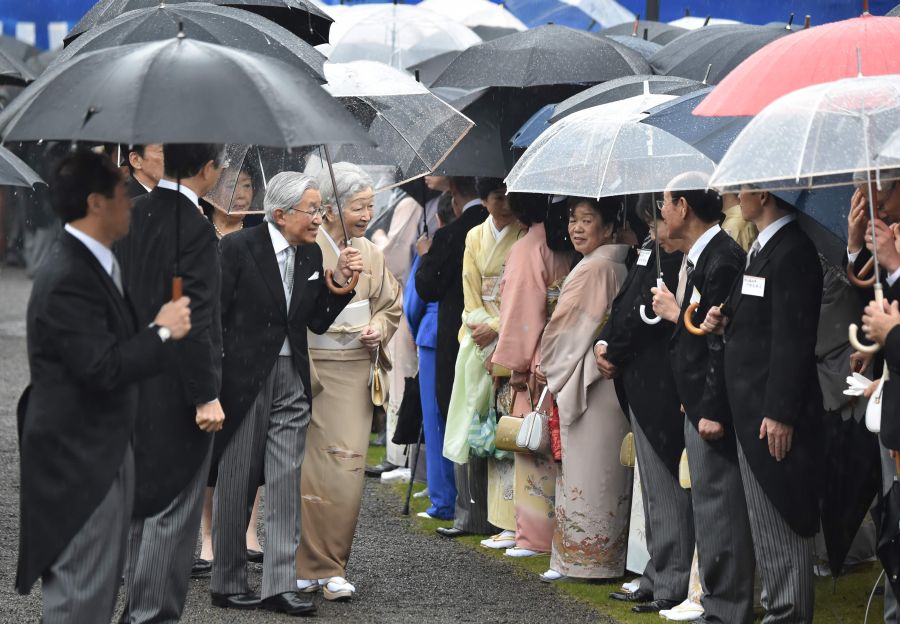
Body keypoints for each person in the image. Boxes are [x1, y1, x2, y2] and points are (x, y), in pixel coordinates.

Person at [15, 151, 192, 623]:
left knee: (97, 589)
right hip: (78, 458)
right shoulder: (69, 275)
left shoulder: (96, 262)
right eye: (121, 194)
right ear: (96, 202)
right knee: (81, 596)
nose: (130, 203)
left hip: (104, 448)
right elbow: (102, 367)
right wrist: (160, 331)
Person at [210, 172, 361, 615]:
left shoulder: (313, 253)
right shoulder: (237, 248)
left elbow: (313, 321)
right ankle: (228, 580)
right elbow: (214, 316)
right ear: (279, 214)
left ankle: (278, 584)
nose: (319, 217)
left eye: (320, 209)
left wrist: (340, 285)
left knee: (284, 482)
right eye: (311, 210)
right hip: (242, 381)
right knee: (235, 482)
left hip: (292, 378)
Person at [116, 143, 226, 623]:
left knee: (142, 507)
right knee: (172, 514)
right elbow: (192, 321)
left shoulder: (132, 211)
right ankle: (150, 616)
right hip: (175, 388)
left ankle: (134, 611)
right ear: (208, 169)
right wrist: (205, 395)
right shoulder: (195, 228)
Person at [703, 187, 824, 623]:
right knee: (766, 523)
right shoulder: (761, 249)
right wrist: (723, 319)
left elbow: (793, 338)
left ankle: (788, 615)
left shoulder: (792, 251)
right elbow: (759, 320)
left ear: (765, 195)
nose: (735, 197)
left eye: (743, 189)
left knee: (782, 520)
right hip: (750, 407)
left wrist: (780, 412)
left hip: (771, 412)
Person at [651, 172, 753, 624]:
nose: (661, 212)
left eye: (665, 203)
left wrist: (710, 406)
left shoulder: (722, 257)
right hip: (694, 397)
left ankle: (725, 605)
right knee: (707, 500)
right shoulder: (700, 256)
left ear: (685, 207)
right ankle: (717, 600)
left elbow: (719, 342)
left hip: (714, 404)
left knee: (718, 503)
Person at [297, 162, 402, 600]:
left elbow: (391, 302)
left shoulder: (371, 253)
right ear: (333, 207)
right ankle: (304, 563)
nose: (365, 215)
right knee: (307, 472)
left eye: (370, 206)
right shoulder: (308, 248)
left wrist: (379, 326)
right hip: (314, 365)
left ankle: (333, 564)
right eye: (358, 206)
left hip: (355, 368)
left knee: (347, 469)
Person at [596, 200, 694, 614]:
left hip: (659, 385)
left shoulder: (673, 259)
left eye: (657, 218)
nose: (653, 228)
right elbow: (624, 304)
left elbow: (644, 317)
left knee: (666, 488)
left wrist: (614, 349)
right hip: (639, 382)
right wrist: (604, 341)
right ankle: (657, 572)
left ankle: (671, 581)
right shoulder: (652, 251)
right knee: (652, 489)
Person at [539, 196, 632, 582]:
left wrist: (546, 366)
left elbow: (565, 332)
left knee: (587, 469)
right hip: (604, 378)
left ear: (609, 226)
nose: (576, 228)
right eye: (573, 219)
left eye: (587, 220)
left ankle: (584, 560)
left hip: (589, 379)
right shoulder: (618, 264)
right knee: (604, 471)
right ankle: (602, 556)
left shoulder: (594, 268)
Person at [442, 177, 525, 549]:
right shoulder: (475, 236)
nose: (503, 204)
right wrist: (481, 326)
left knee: (502, 428)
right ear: (485, 199)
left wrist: (496, 327)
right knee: (471, 422)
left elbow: (521, 294)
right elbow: (469, 288)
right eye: (496, 197)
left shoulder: (524, 235)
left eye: (508, 197)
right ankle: (470, 513)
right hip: (476, 337)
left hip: (508, 332)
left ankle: (503, 517)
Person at [490, 192, 572, 557]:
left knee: (533, 443)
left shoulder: (530, 247)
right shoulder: (564, 241)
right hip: (568, 351)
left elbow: (520, 311)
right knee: (561, 447)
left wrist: (515, 365)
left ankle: (535, 537)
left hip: (539, 355)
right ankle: (562, 534)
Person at [193, 160, 262, 578]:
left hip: (252, 348)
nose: (241, 192)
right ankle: (206, 533)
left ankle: (250, 526)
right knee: (210, 445)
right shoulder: (198, 233)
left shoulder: (261, 236)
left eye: (249, 184)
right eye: (233, 183)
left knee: (252, 443)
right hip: (209, 347)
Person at [415, 177, 493, 538]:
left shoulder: (451, 234)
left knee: (457, 415)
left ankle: (462, 504)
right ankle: (486, 508)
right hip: (493, 330)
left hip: (458, 335)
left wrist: (426, 256)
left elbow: (426, 286)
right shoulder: (482, 233)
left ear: (455, 195)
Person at [404, 194, 458, 520]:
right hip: (466, 329)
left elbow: (413, 302)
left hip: (433, 332)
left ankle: (443, 499)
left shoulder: (435, 248)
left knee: (436, 417)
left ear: (439, 220)